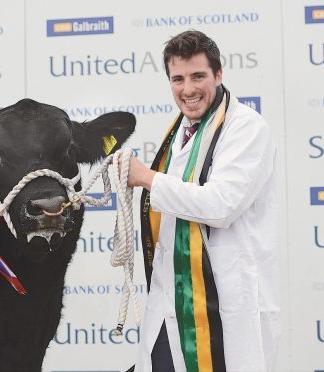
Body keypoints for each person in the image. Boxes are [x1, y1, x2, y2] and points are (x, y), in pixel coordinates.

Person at [125, 30, 280, 371]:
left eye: (198, 76)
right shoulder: (178, 135)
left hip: (221, 308)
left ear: (219, 74)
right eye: (177, 79)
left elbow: (220, 205)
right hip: (170, 307)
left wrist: (145, 177)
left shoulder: (246, 128)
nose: (188, 89)